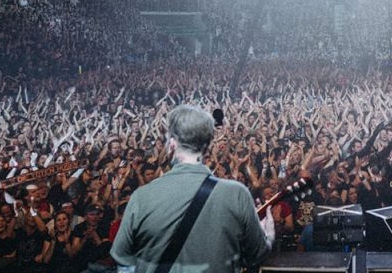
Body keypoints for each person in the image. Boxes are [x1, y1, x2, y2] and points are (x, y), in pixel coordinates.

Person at [110, 104, 274, 273]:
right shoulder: (237, 194)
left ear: (172, 144)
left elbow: (123, 260)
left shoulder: (141, 197)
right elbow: (256, 255)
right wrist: (268, 236)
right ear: (208, 146)